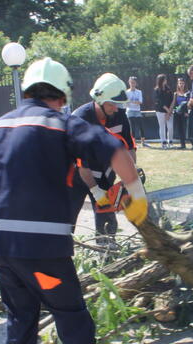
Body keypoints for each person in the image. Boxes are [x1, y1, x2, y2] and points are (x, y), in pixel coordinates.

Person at [0, 58, 147, 344]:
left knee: (20, 309)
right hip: (41, 247)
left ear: (26, 90)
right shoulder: (64, 124)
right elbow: (117, 151)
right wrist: (139, 197)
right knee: (67, 308)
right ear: (62, 94)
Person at [71, 73, 137, 248]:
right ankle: (60, 255)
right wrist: (95, 190)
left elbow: (129, 147)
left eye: (118, 104)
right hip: (77, 175)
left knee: (107, 219)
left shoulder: (120, 115)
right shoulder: (80, 119)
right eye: (112, 104)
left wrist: (131, 177)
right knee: (67, 219)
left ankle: (107, 251)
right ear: (99, 99)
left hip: (105, 173)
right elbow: (81, 165)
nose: (116, 108)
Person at [126, 76, 149, 148]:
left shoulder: (139, 92)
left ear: (136, 83)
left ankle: (143, 142)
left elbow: (140, 102)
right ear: (129, 83)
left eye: (134, 82)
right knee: (132, 127)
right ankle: (133, 143)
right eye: (131, 82)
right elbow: (126, 103)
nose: (132, 84)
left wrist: (131, 101)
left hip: (137, 111)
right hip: (130, 111)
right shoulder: (126, 92)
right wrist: (134, 102)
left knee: (141, 126)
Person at [154, 74, 174, 148]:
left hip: (169, 111)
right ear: (161, 80)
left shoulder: (168, 89)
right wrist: (167, 111)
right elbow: (160, 102)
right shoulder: (156, 90)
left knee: (170, 127)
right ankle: (163, 142)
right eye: (164, 79)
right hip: (160, 111)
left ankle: (170, 142)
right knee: (162, 126)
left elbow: (172, 100)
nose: (166, 80)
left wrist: (169, 111)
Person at [173, 76, 191, 149]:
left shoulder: (188, 93)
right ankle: (182, 144)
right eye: (180, 83)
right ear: (178, 84)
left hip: (185, 114)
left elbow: (189, 104)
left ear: (184, 84)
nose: (181, 85)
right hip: (177, 113)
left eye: (182, 83)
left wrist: (187, 112)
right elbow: (174, 104)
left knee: (186, 129)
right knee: (180, 129)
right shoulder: (175, 93)